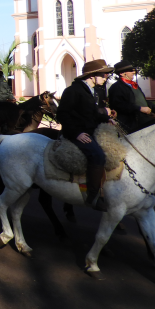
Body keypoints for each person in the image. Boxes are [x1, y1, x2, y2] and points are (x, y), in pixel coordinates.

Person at [57, 59, 117, 211]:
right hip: (76, 133)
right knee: (98, 155)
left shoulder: (90, 91)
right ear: (92, 76)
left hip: (90, 130)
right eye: (103, 75)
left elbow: (90, 114)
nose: (105, 78)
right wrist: (76, 133)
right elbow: (62, 114)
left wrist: (107, 119)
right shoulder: (72, 91)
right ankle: (93, 196)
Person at [108, 60, 155, 133]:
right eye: (130, 70)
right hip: (131, 124)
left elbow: (143, 101)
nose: (133, 72)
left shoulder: (134, 86)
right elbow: (118, 105)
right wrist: (139, 108)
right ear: (122, 73)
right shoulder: (116, 87)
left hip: (144, 119)